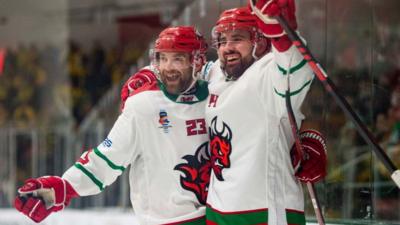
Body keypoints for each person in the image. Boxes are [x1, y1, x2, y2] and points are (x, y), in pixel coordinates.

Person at [14, 26, 212, 225]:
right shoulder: (144, 104)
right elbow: (108, 157)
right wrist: (62, 188)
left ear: (197, 61)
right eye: (162, 58)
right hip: (168, 220)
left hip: (216, 217)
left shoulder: (218, 94)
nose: (168, 66)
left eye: (178, 59)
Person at [203, 1, 327, 225]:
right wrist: (148, 79)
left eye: (238, 38)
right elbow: (179, 66)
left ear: (259, 41)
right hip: (216, 210)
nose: (227, 47)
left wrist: (282, 35)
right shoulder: (216, 74)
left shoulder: (266, 71)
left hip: (264, 212)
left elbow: (293, 68)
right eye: (221, 41)